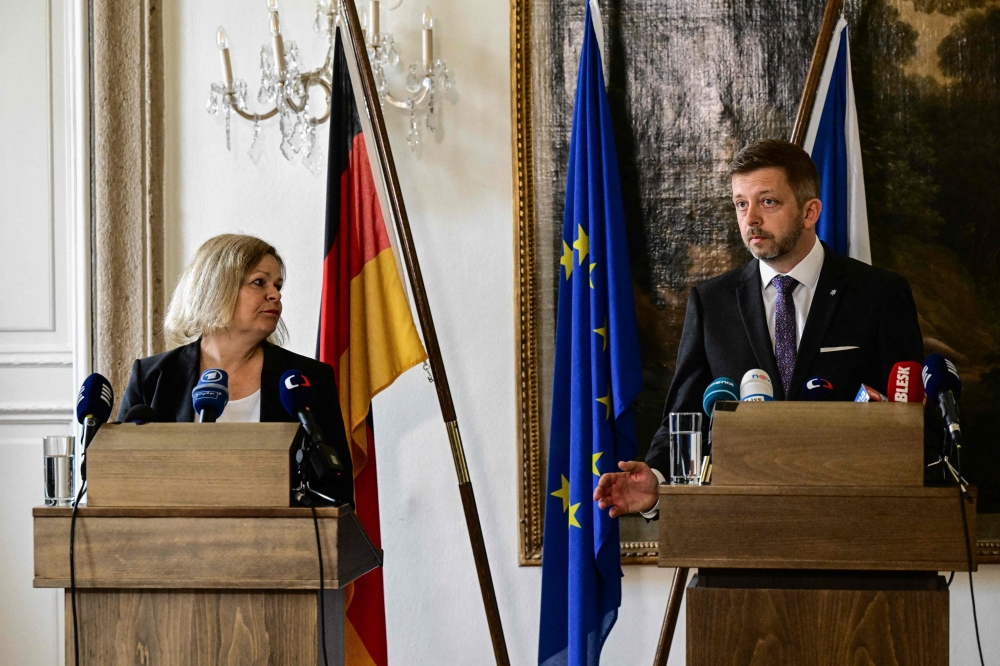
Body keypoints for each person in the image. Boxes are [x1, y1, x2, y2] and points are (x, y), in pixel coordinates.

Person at [594, 139, 923, 517]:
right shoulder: (711, 302)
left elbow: (911, 418)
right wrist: (656, 479)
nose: (750, 219)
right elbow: (684, 416)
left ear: (810, 211)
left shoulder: (880, 294)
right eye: (740, 203)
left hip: (855, 521)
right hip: (742, 525)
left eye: (768, 202)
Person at [118, 233, 353, 504]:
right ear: (217, 288)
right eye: (259, 282)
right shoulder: (152, 377)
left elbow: (338, 492)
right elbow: (120, 479)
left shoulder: (308, 380)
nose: (275, 294)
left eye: (277, 285)